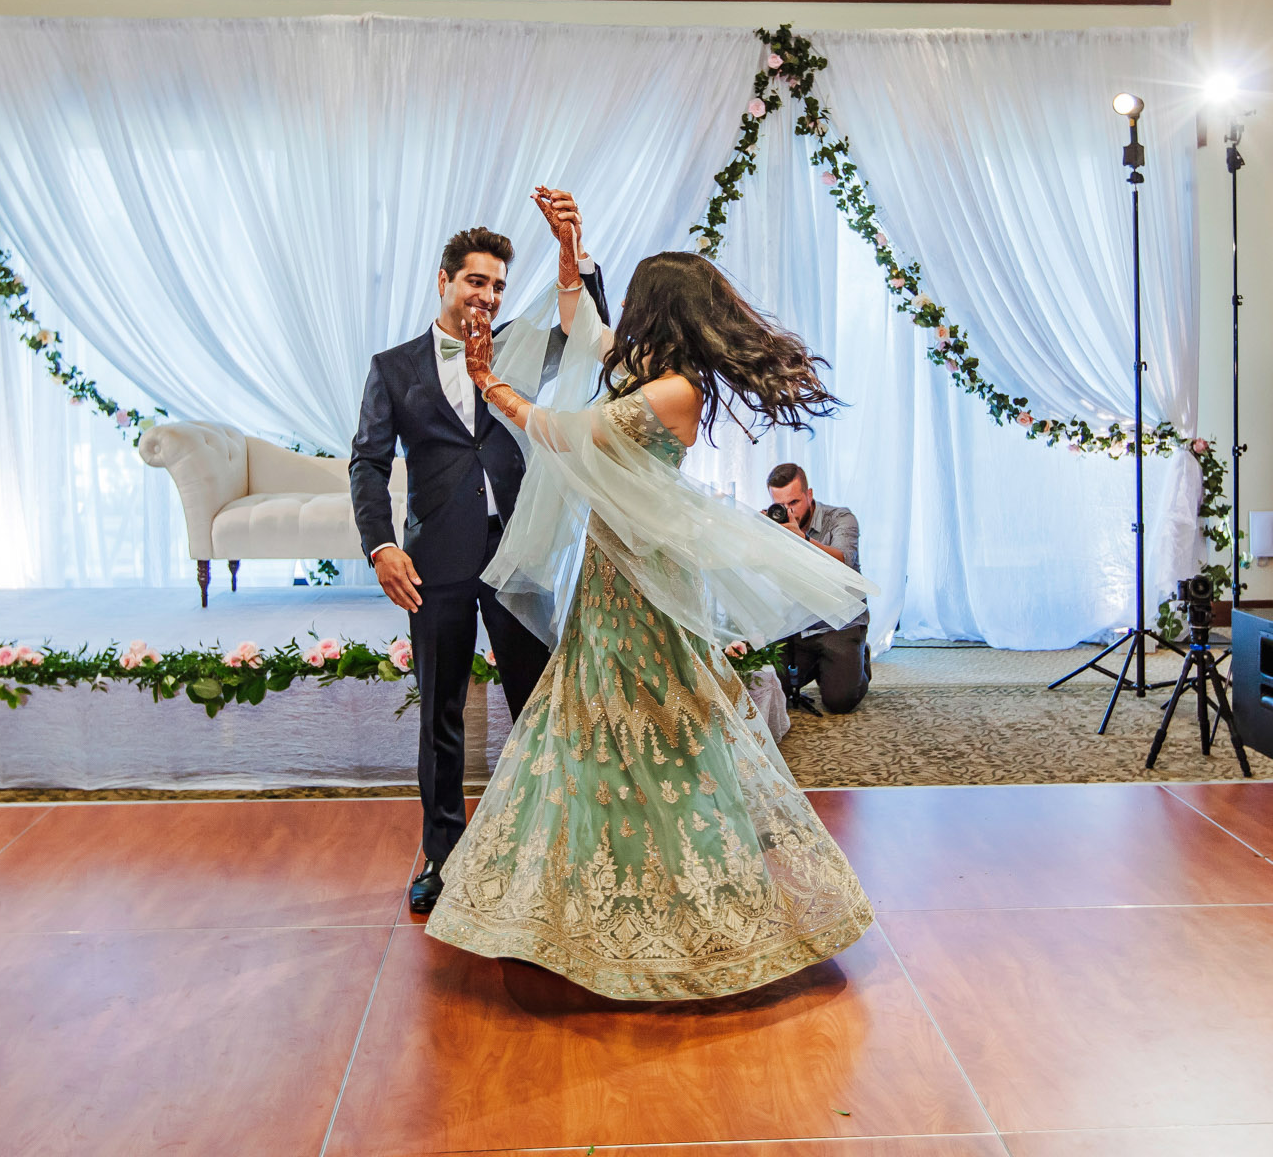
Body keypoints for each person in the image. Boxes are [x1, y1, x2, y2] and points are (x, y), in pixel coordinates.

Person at [423, 248, 878, 1001]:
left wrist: (487, 384)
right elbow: (587, 326)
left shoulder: (671, 392)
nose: (625, 315)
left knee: (664, 724)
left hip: (644, 580)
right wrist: (570, 255)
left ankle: (694, 907)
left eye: (637, 301)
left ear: (659, 310)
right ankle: (585, 904)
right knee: (592, 722)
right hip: (611, 572)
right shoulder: (646, 371)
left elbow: (565, 433)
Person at [349, 192, 609, 917]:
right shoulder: (394, 368)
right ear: (444, 280)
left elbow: (587, 331)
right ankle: (442, 852)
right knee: (441, 714)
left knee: (538, 704)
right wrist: (380, 545)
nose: (487, 295)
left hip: (519, 554)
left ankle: (549, 841)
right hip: (436, 563)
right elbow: (367, 464)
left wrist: (574, 258)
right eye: (475, 281)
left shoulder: (525, 345)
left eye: (497, 284)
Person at [761, 463, 870, 714]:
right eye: (781, 504)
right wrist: (759, 535)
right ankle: (826, 666)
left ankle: (858, 658)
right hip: (797, 623)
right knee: (775, 689)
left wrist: (803, 539)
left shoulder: (841, 518)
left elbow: (843, 561)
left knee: (839, 701)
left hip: (839, 623)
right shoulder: (774, 524)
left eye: (795, 502)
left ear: (809, 494)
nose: (789, 511)